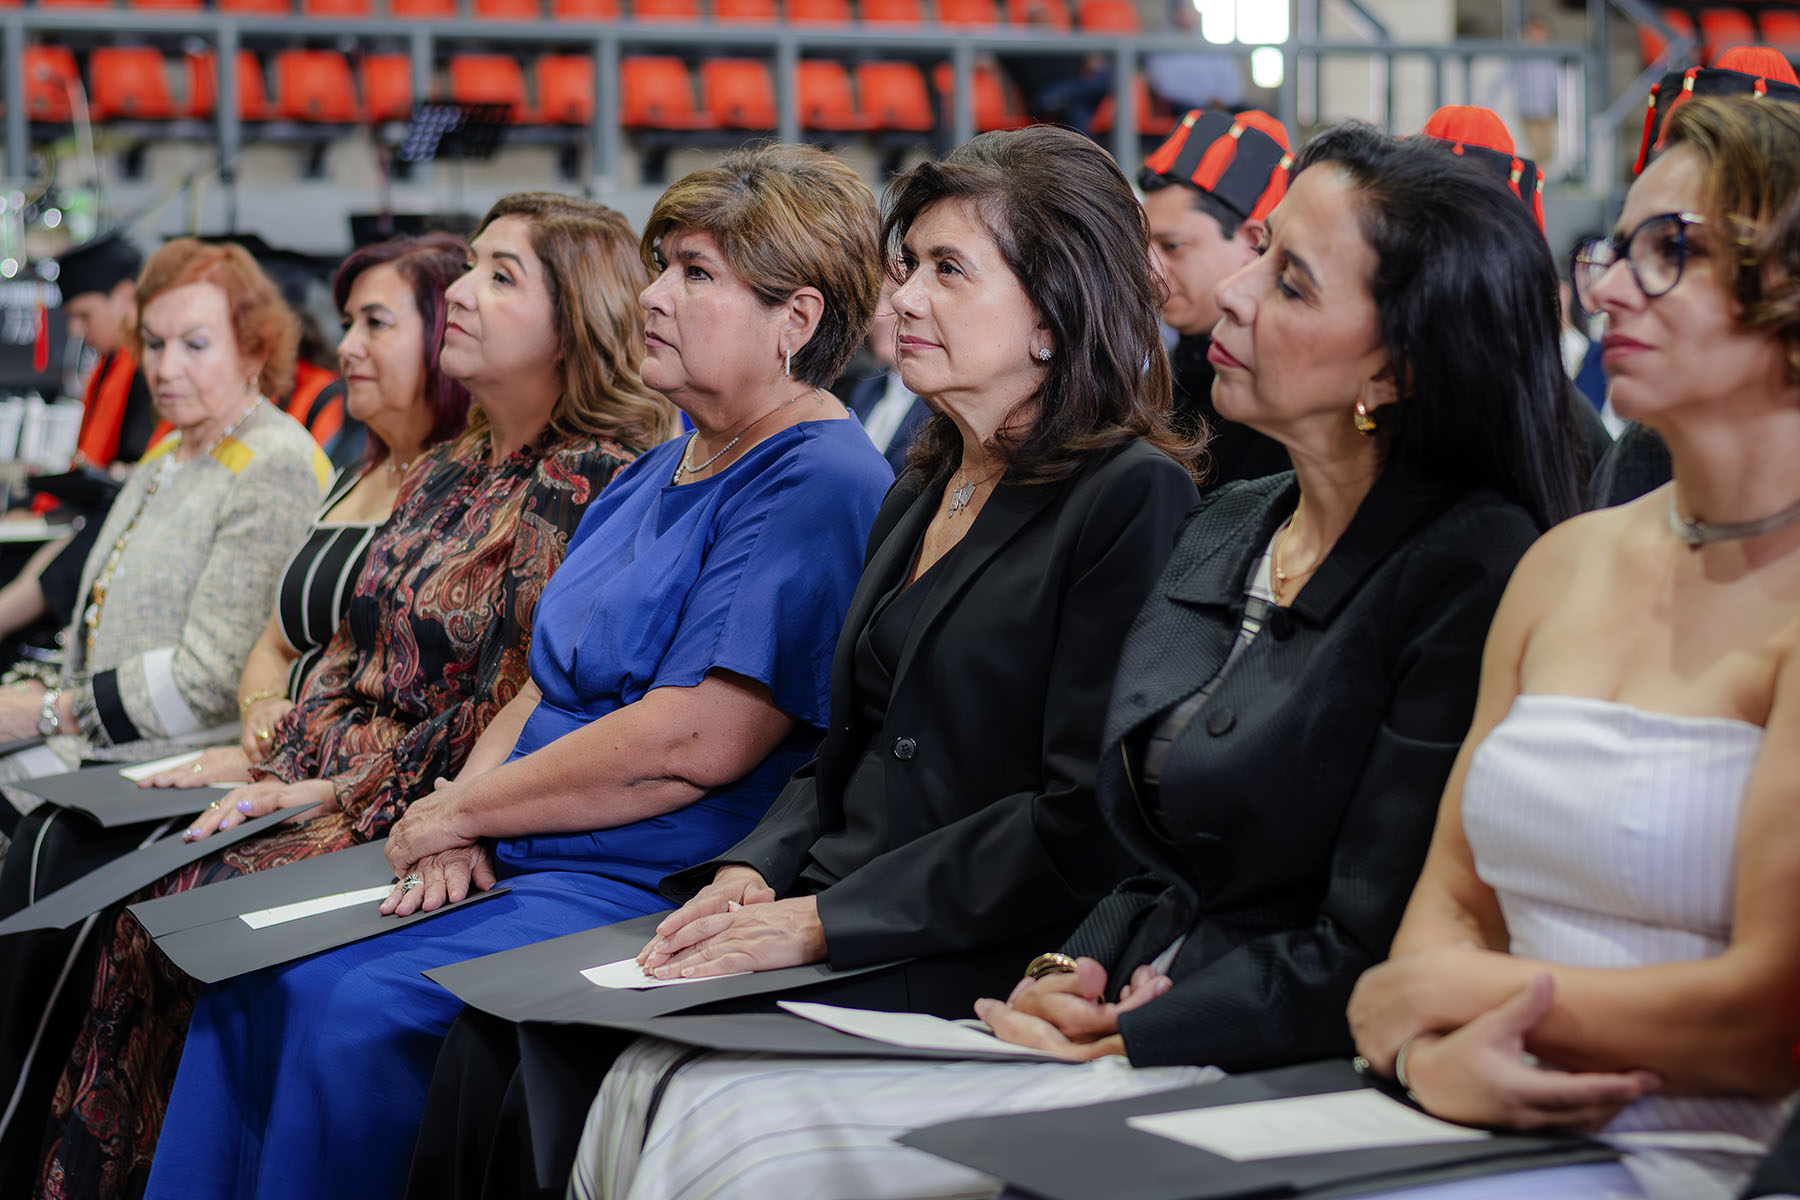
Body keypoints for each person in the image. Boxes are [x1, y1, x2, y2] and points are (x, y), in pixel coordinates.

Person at [561, 120, 1586, 1200]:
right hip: (1093, 978)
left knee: (726, 1140)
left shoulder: (1461, 559)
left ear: (1396, 357)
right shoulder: (1236, 517)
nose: (1228, 291)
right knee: (632, 1081)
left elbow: (1340, 914)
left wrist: (1116, 1011)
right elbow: (1126, 824)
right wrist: (1067, 970)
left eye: (1286, 278)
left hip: (1224, 1022)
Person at [404, 123, 1204, 1200]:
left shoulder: (1127, 496)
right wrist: (756, 869)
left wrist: (826, 919)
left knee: (573, 1062)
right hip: (833, 898)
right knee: (500, 1041)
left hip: (962, 939)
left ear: (1055, 317)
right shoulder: (926, 476)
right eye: (906, 265)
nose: (905, 298)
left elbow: (1076, 817)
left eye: (948, 271)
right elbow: (841, 747)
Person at [143, 143, 895, 1200]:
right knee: (241, 978)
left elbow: (696, 741)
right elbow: (543, 682)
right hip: (528, 840)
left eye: (696, 272)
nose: (655, 295)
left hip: (641, 876)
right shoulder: (656, 465)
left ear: (798, 321)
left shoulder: (821, 476)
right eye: (661, 264)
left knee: (348, 1010)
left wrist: (474, 815)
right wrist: (462, 810)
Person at [16, 199, 665, 1200]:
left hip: (423, 804)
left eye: (500, 276)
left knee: (177, 919)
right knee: (122, 892)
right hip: (335, 772)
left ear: (576, 319)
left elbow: (512, 704)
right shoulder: (449, 467)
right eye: (469, 269)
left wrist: (330, 791)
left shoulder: (595, 480)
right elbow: (350, 653)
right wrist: (277, 756)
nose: (461, 292)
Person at [1343, 95, 1800, 1200]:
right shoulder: (1562, 563)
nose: (1603, 290)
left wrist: (1432, 1004)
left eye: (1668, 253)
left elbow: (1765, 1022)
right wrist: (1423, 1050)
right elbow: (1445, 906)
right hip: (1474, 1116)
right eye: (1612, 251)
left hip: (1710, 1154)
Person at [0, 231, 473, 1196]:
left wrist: (49, 709)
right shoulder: (196, 457)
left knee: (71, 857)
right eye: (156, 346)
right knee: (45, 836)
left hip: (264, 763)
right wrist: (269, 719)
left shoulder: (282, 463)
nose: (166, 368)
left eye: (195, 345)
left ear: (254, 349)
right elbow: (274, 650)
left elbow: (225, 672)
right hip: (254, 751)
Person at [1139, 108, 1293, 488]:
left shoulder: (1283, 393)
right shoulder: (1177, 361)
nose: (1151, 270)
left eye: (1173, 246)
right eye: (1144, 246)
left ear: (1254, 242)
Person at [842, 278, 929, 471]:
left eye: (892, 299)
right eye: (874, 301)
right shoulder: (867, 387)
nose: (877, 317)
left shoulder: (941, 404)